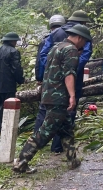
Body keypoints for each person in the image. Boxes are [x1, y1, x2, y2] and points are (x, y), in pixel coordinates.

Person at [12, 24, 92, 174]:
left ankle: (72, 160)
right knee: (45, 132)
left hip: (48, 94)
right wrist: (72, 96)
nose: (85, 45)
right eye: (85, 41)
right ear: (80, 38)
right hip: (59, 98)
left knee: (67, 129)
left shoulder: (56, 47)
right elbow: (69, 74)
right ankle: (21, 163)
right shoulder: (71, 50)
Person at [35, 10, 93, 153]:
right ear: (83, 23)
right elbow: (84, 56)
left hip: (51, 81)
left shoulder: (55, 33)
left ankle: (67, 155)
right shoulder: (82, 36)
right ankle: (54, 147)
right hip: (71, 81)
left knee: (44, 111)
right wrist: (70, 69)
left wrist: (51, 70)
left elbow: (44, 54)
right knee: (69, 111)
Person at [33, 15, 65, 152]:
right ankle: (57, 146)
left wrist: (39, 78)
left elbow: (40, 61)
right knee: (61, 112)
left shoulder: (45, 40)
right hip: (62, 80)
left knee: (43, 111)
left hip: (47, 80)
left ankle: (36, 141)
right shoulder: (67, 38)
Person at [0, 32, 25, 134]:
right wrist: (20, 80)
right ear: (12, 41)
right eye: (16, 41)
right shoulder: (13, 52)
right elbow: (16, 68)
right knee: (5, 107)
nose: (16, 43)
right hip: (7, 84)